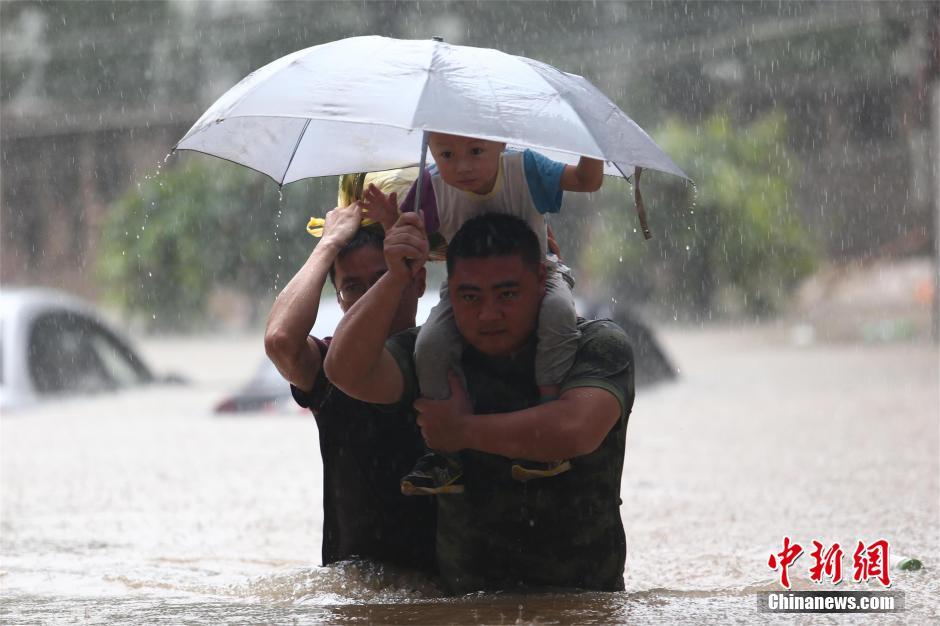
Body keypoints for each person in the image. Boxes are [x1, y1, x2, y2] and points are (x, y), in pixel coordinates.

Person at [324, 212, 635, 593]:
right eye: (470, 297)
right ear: (449, 293)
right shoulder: (432, 356)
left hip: (586, 603)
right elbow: (345, 372)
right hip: (466, 604)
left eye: (507, 294)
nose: (488, 314)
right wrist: (395, 276)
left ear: (541, 279)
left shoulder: (597, 344)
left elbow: (575, 430)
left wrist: (461, 431)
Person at [362, 132, 604, 494]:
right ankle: (444, 456)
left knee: (557, 313)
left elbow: (586, 180)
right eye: (447, 154)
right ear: (430, 150)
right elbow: (411, 241)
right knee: (429, 344)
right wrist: (389, 223)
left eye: (476, 151)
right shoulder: (430, 188)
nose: (462, 166)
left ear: (501, 142)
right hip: (466, 291)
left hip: (538, 275)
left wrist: (590, 139)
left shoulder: (524, 168)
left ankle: (548, 410)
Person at [263, 170, 435, 573]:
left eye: (384, 276)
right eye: (354, 287)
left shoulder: (446, 355)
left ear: (418, 280)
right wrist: (328, 244)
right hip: (354, 586)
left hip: (444, 584)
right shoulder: (328, 370)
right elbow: (280, 341)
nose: (373, 295)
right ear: (338, 298)